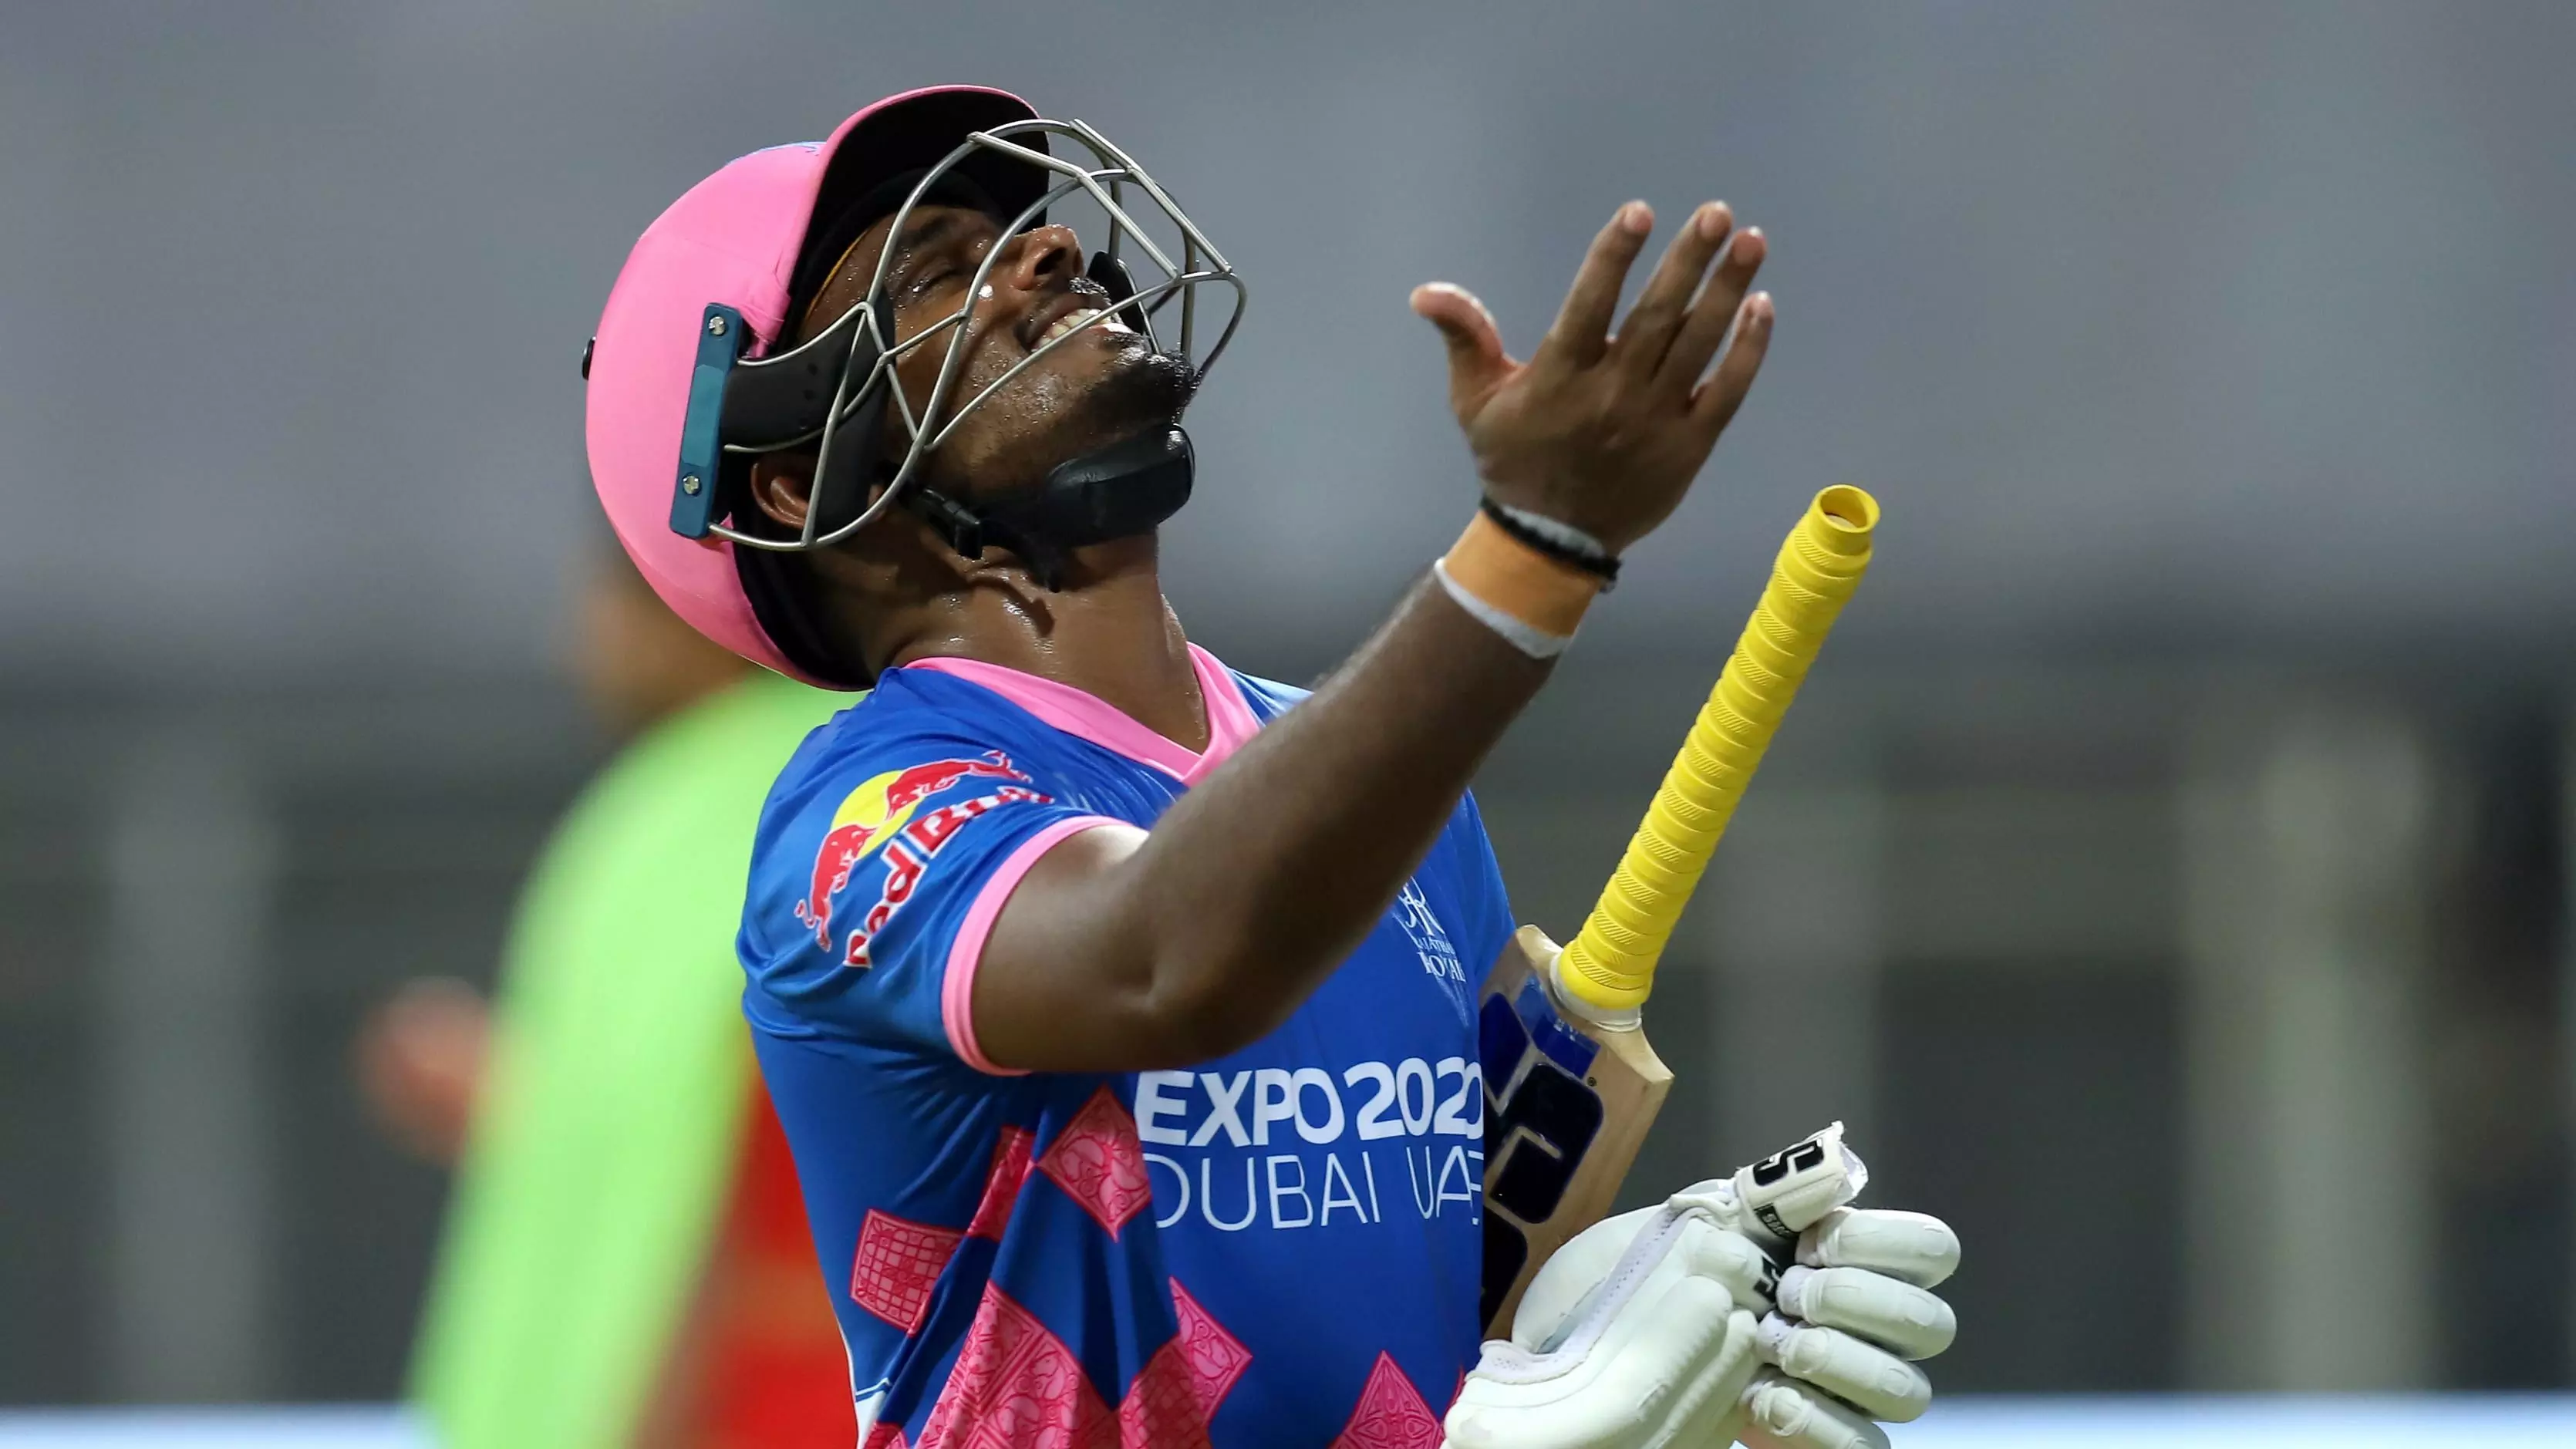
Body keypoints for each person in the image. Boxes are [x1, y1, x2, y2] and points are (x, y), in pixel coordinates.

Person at [583, 85, 1961, 1448]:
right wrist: (1533, 548)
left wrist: (1626, 1334)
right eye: (941, 274)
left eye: (1022, 232)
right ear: (795, 481)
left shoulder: (1379, 790)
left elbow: (1464, 1305)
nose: (1052, 251)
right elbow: (1164, 958)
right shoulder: (858, 818)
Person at [360, 548, 854, 1448]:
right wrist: (519, 1098)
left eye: (602, 602)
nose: (574, 644)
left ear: (680, 604)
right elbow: (661, 1115)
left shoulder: (739, 815)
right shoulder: (756, 799)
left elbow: (722, 1168)